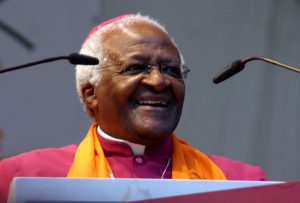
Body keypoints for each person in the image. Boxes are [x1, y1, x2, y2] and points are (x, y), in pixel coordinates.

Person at [0, 13, 267, 202]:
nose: (159, 81)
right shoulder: (18, 177)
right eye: (136, 68)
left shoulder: (243, 183)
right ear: (91, 94)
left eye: (171, 70)